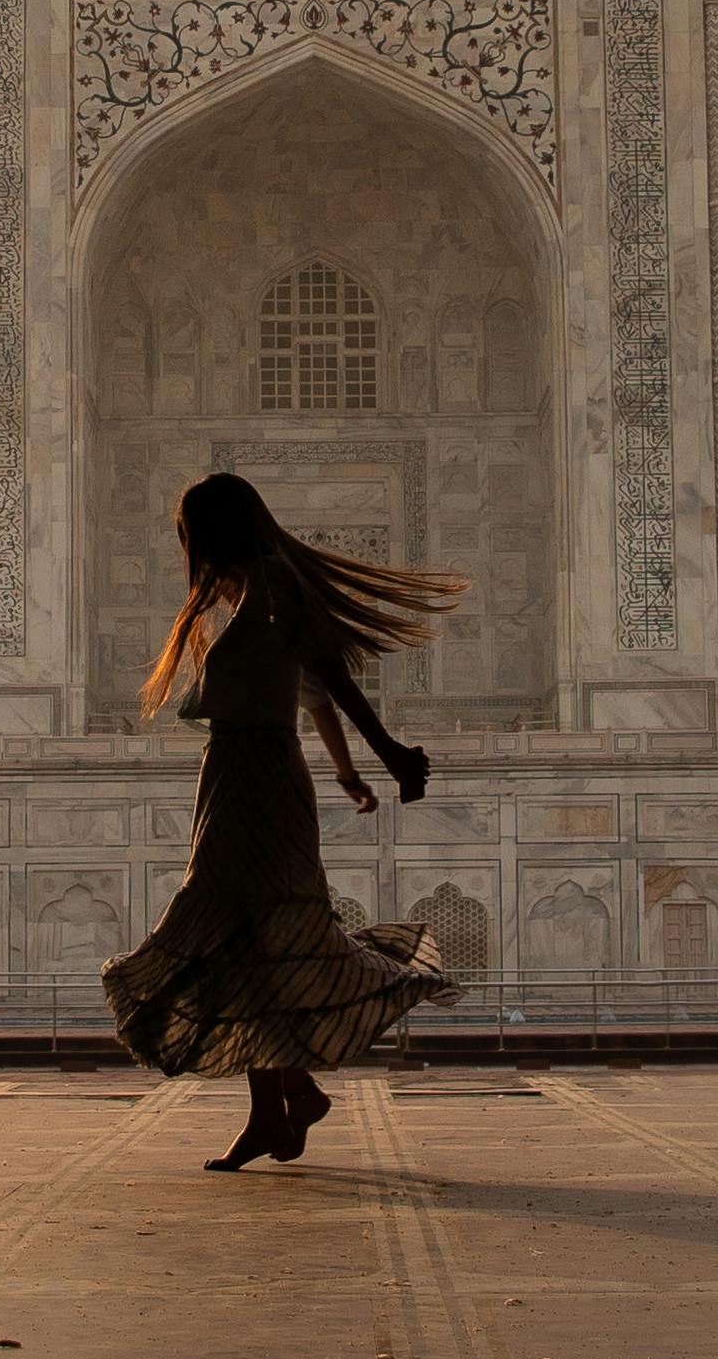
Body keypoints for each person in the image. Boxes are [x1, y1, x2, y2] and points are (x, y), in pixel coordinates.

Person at [103, 474, 465, 1167]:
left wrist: (387, 755)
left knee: (242, 931)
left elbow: (330, 676)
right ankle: (280, 1103)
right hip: (238, 775)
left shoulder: (271, 585)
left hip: (260, 776)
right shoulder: (250, 591)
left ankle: (285, 1102)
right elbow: (311, 694)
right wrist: (349, 773)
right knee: (247, 942)